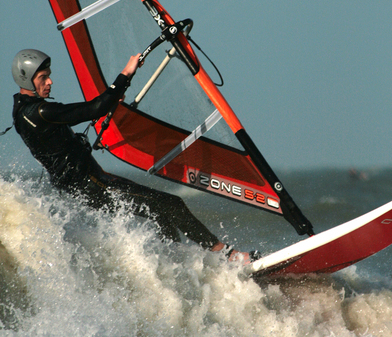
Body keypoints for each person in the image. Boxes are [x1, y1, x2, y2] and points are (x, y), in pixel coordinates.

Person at [11, 49, 256, 263]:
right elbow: (95, 107)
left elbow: (71, 124)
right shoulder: (40, 112)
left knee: (161, 211)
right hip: (93, 185)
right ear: (26, 80)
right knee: (172, 204)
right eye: (43, 78)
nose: (50, 81)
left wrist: (111, 100)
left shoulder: (24, 111)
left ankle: (176, 261)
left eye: (48, 75)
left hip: (88, 184)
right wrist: (126, 73)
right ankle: (228, 256)